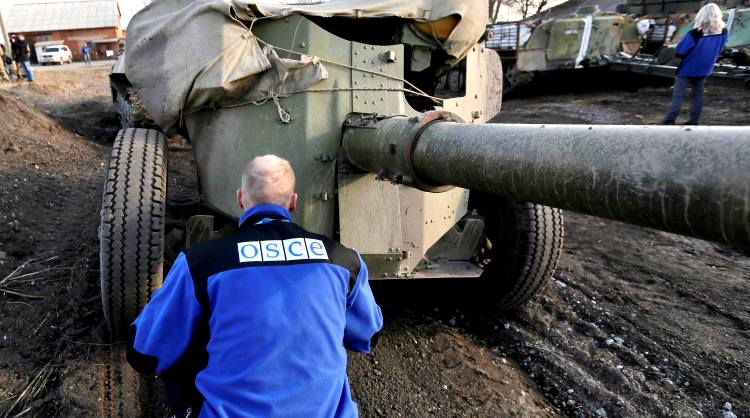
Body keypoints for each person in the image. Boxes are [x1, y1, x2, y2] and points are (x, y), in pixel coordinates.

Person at [127, 154, 383, 418]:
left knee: (183, 338)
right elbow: (368, 335)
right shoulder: (344, 259)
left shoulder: (202, 262)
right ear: (293, 202)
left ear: (240, 199)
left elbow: (144, 355)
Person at [662, 3, 728, 125]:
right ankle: (694, 121)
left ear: (701, 15)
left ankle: (670, 120)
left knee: (678, 94)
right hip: (705, 69)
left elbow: (681, 51)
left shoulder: (695, 33)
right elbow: (721, 49)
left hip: (688, 68)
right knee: (698, 94)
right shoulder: (723, 32)